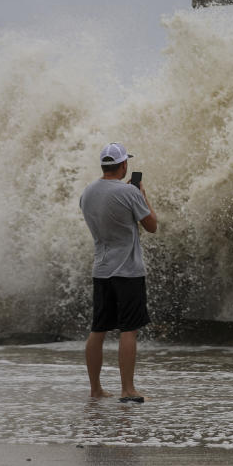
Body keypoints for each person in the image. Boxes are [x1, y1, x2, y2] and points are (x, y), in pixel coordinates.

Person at [80, 142, 157, 402]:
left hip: (101, 270)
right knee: (128, 329)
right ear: (123, 165)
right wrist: (142, 194)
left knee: (98, 329)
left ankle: (95, 389)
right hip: (128, 271)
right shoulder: (129, 192)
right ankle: (127, 389)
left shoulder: (87, 193)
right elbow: (152, 226)